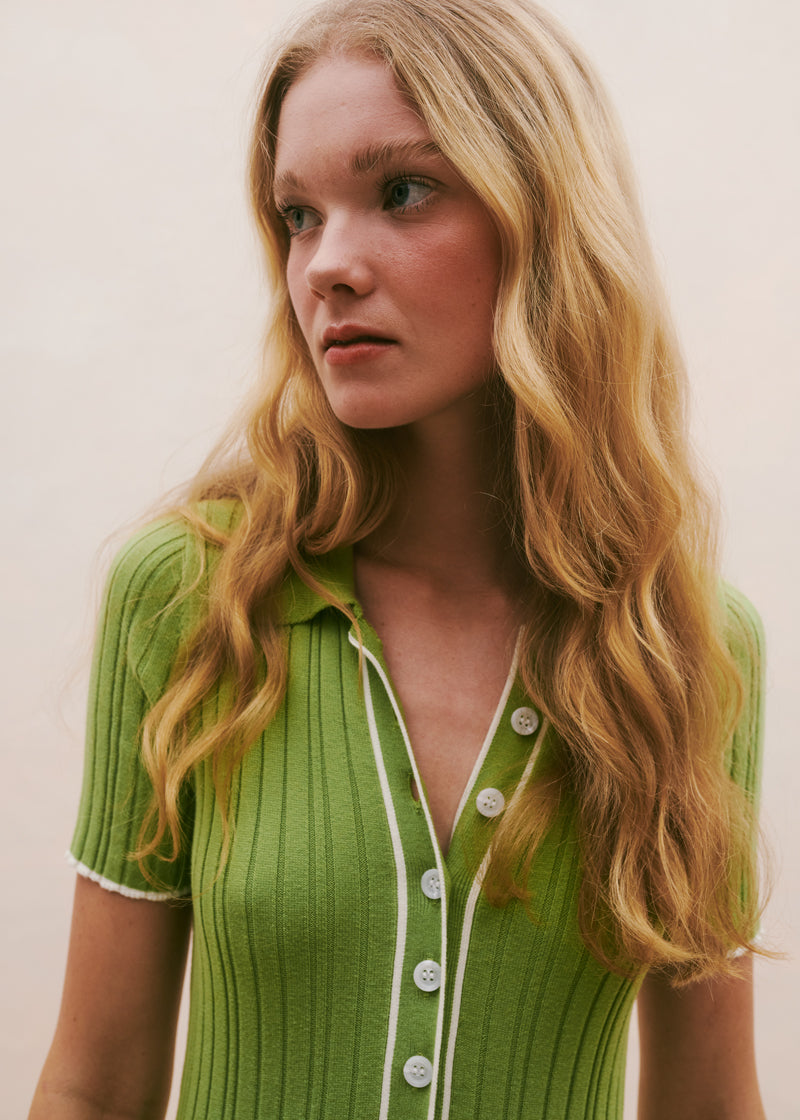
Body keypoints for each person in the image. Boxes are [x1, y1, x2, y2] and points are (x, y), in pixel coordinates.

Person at [29, 0, 768, 1117]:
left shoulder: (685, 647)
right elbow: (93, 1089)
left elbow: (706, 1105)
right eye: (297, 215)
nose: (326, 265)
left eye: (403, 193)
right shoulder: (190, 597)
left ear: (543, 220)